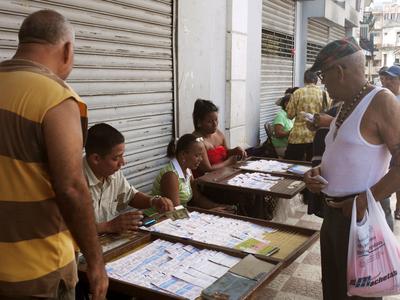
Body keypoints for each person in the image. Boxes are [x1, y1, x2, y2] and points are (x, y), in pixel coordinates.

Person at [0, 10, 108, 299]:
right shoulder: (55, 98)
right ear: (68, 50)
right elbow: (72, 188)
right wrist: (96, 262)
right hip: (38, 274)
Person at [304, 36, 400, 300]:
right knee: (334, 289)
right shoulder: (346, 104)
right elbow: (346, 155)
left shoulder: (382, 101)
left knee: (360, 295)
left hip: (362, 217)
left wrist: (364, 201)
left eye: (324, 77)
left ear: (340, 72)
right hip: (335, 215)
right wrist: (319, 171)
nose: (324, 84)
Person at [84, 123, 174, 234]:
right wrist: (108, 226)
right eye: (116, 158)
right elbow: (67, 230)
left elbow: (131, 196)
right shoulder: (72, 181)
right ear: (96, 159)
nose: (123, 162)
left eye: (122, 155)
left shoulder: (113, 174)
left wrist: (154, 201)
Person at [152, 134, 235, 213]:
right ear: (183, 154)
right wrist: (208, 212)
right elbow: (176, 212)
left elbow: (197, 198)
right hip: (159, 220)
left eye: (201, 155)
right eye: (197, 155)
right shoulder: (171, 176)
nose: (201, 159)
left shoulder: (187, 170)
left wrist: (217, 206)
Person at [192, 99, 247, 177]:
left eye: (216, 120)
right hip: (206, 182)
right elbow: (208, 169)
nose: (215, 124)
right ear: (199, 123)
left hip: (222, 176)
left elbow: (226, 152)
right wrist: (229, 162)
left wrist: (235, 151)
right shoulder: (197, 141)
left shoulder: (217, 133)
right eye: (210, 121)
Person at [285, 70, 330, 161]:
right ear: (317, 80)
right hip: (316, 137)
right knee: (311, 166)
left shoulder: (298, 93)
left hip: (298, 137)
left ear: (304, 80)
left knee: (291, 164)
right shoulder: (324, 94)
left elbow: (290, 115)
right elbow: (328, 114)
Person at [381, 65, 400, 221]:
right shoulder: (381, 99)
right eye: (386, 78)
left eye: (391, 79)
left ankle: (398, 209)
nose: (387, 82)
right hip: (382, 154)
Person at [271, 92, 294, 157]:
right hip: (282, 146)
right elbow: (278, 134)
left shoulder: (292, 115)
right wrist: (290, 132)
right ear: (286, 104)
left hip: (290, 145)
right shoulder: (280, 116)